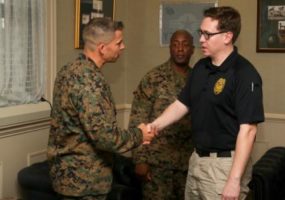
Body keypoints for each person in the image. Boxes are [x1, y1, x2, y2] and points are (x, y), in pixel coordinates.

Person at [148, 6, 264, 200]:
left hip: (225, 167)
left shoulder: (245, 74)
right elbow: (181, 104)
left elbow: (249, 131)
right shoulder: (201, 67)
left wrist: (234, 181)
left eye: (207, 34)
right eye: (201, 33)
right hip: (197, 160)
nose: (201, 39)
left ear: (227, 36)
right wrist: (154, 126)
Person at [47, 17, 155, 200]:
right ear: (102, 48)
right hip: (84, 182)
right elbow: (105, 137)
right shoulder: (89, 81)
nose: (123, 47)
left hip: (67, 177)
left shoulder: (68, 70)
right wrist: (139, 134)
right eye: (118, 43)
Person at [129, 30, 195, 200]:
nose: (180, 49)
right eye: (175, 44)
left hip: (188, 163)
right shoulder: (153, 78)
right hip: (157, 163)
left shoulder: (198, 79)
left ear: (193, 49)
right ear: (170, 48)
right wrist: (140, 159)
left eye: (185, 44)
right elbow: (138, 119)